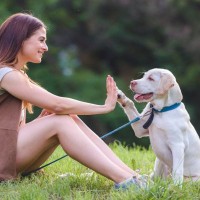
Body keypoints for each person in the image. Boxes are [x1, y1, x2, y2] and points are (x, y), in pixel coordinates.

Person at [0, 13, 143, 189]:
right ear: (21, 39)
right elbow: (58, 104)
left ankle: (133, 177)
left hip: (7, 155)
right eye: (41, 40)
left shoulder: (13, 75)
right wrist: (104, 107)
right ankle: (125, 180)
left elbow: (9, 128)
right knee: (59, 118)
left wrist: (38, 125)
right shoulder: (5, 74)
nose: (45, 47)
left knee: (69, 117)